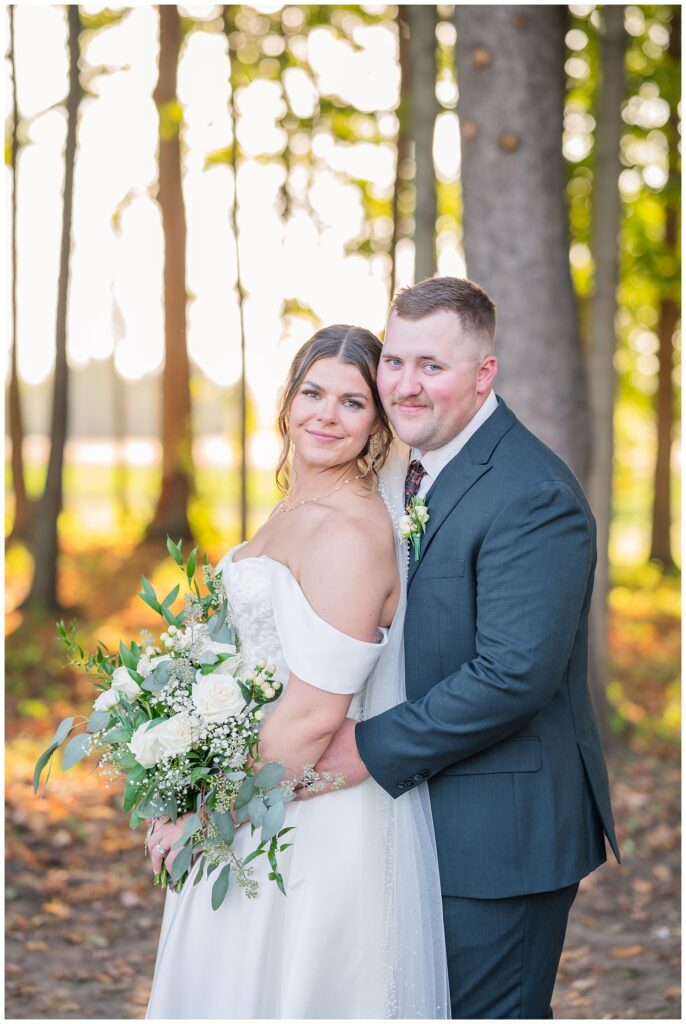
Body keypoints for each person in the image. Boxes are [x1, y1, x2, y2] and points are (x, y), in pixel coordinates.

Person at [315, 276, 620, 1019]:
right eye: (395, 362)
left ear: (484, 373)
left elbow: (514, 674)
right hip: (414, 822)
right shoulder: (401, 476)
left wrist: (367, 746)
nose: (404, 386)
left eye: (432, 367)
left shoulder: (530, 493)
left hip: (498, 836)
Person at [145, 325, 450, 1019]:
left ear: (377, 423)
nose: (325, 415)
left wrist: (207, 815)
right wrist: (179, 765)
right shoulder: (294, 509)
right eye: (313, 392)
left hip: (308, 823)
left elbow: (315, 712)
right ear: (287, 401)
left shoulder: (352, 531)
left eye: (352, 403)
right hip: (253, 789)